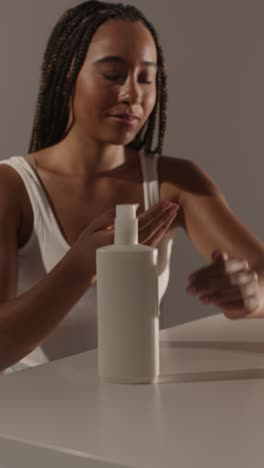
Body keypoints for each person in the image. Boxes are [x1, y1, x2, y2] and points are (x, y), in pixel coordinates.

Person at [0, 0, 263, 374]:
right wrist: (78, 269)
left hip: (133, 406)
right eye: (112, 74)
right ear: (65, 77)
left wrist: (252, 295)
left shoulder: (175, 183)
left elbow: (261, 274)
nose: (132, 95)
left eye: (146, 78)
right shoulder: (12, 187)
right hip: (31, 414)